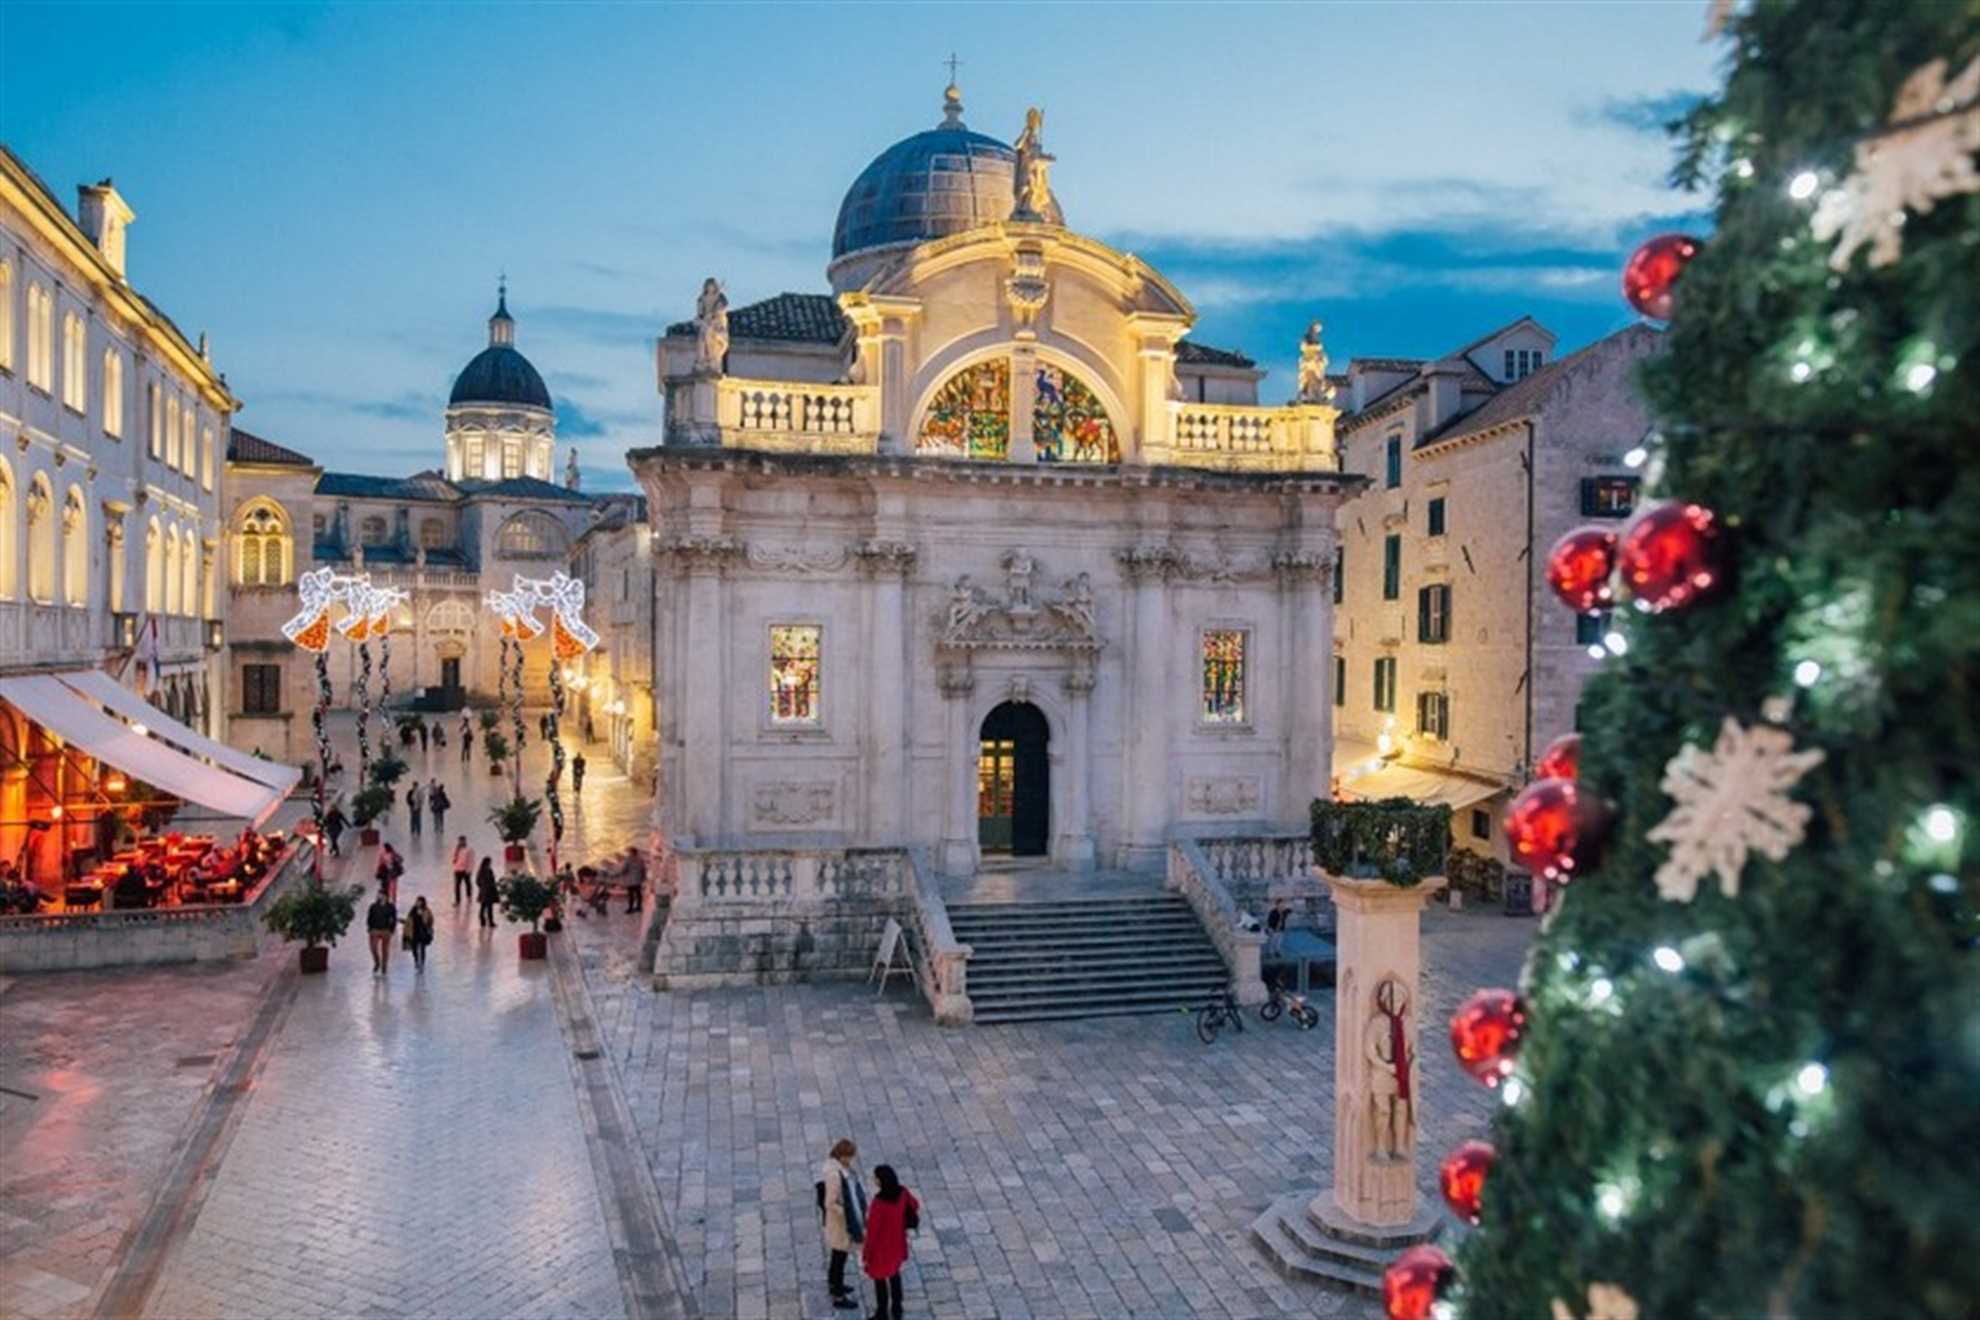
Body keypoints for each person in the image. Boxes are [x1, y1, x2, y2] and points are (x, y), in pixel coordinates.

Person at [861, 1164, 920, 1320]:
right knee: (895, 1276)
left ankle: (882, 1312)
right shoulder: (902, 1192)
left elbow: (872, 1233)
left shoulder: (879, 1203)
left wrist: (867, 1254)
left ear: (881, 1181)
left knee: (880, 1281)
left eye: (875, 1178)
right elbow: (914, 1205)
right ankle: (897, 1309)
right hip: (897, 1244)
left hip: (881, 1249)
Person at [817, 1138, 867, 1312]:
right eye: (850, 1156)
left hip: (840, 1223)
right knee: (839, 1258)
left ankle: (834, 1284)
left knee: (838, 1256)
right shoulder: (835, 1175)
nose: (852, 1159)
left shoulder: (840, 1169)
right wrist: (848, 1213)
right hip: (840, 1225)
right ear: (843, 1156)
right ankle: (838, 1295)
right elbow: (830, 1203)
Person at [366, 886, 398, 974]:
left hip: (386, 930)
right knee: (373, 947)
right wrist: (369, 927)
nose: (379, 896)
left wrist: (392, 929)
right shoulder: (373, 906)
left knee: (385, 949)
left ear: (385, 896)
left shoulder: (391, 907)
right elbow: (369, 917)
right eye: (378, 895)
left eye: (380, 894)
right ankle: (377, 962)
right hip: (375, 929)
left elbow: (394, 918)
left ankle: (384, 966)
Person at [405, 895, 434, 971]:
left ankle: (422, 963)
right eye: (417, 901)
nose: (418, 903)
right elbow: (409, 918)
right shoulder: (413, 910)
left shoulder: (427, 911)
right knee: (414, 948)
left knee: (422, 948)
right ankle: (416, 960)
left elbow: (430, 920)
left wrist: (428, 926)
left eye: (419, 901)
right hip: (414, 931)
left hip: (423, 932)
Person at [475, 857, 499, 929]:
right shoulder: (489, 871)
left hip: (483, 891)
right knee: (489, 908)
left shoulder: (480, 871)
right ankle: (490, 922)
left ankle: (483, 921)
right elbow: (492, 881)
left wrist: (482, 887)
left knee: (483, 907)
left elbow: (477, 881)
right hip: (489, 892)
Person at [451, 836, 475, 905]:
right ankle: (457, 900)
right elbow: (453, 859)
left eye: (462, 841)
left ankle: (469, 897)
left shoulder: (469, 849)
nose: (461, 842)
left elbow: (471, 860)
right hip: (457, 870)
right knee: (457, 886)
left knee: (468, 884)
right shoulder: (456, 849)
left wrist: (469, 870)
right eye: (460, 841)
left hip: (465, 870)